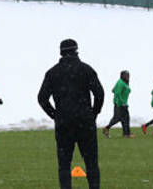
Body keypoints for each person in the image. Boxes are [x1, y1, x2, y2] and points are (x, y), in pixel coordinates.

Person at [38, 39, 104, 189]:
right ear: (76, 51)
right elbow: (99, 94)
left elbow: (42, 98)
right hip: (85, 122)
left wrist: (55, 115)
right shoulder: (86, 70)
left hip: (64, 123)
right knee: (91, 163)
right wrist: (93, 113)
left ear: (61, 52)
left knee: (64, 165)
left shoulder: (52, 73)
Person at [102, 70, 133, 138]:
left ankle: (126, 133)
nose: (128, 77)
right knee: (118, 118)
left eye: (128, 75)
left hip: (122, 103)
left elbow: (113, 90)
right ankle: (107, 128)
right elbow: (117, 93)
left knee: (125, 119)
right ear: (122, 76)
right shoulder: (121, 83)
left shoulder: (123, 82)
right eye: (126, 75)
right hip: (120, 104)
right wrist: (122, 101)